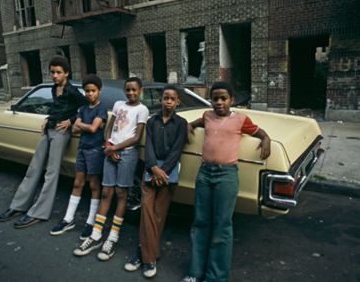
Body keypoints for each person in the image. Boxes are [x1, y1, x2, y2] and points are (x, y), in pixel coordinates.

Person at [180, 82, 271, 282]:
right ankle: (195, 273)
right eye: (215, 98)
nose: (219, 102)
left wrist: (266, 140)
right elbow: (194, 123)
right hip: (204, 174)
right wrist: (188, 126)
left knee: (222, 225)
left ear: (232, 100)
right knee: (201, 222)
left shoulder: (240, 119)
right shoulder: (207, 116)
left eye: (224, 98)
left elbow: (260, 132)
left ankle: (215, 277)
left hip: (226, 175)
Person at [0, 55, 87, 229]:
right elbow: (55, 107)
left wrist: (70, 120)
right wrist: (47, 118)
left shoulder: (72, 91)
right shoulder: (54, 89)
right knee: (34, 167)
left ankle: (38, 212)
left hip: (61, 133)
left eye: (58, 72)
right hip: (49, 130)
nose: (54, 75)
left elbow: (84, 106)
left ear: (66, 73)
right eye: (52, 72)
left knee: (51, 173)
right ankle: (18, 206)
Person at [73, 76, 149, 261]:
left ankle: (113, 237)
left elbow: (137, 137)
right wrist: (108, 144)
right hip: (110, 151)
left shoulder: (142, 109)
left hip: (127, 154)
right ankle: (96, 234)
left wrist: (115, 148)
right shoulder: (118, 104)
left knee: (121, 193)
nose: (131, 93)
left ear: (141, 91)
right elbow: (109, 126)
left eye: (134, 90)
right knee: (106, 192)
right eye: (128, 90)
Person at [124, 85, 188, 278]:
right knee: (147, 211)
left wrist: (163, 170)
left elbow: (177, 150)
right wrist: (153, 167)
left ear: (177, 102)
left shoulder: (181, 123)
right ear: (161, 100)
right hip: (151, 170)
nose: (168, 101)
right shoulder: (152, 121)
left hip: (168, 173)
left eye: (172, 99)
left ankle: (142, 253)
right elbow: (149, 146)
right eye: (165, 98)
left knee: (159, 215)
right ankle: (149, 257)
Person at [50, 74, 107, 240]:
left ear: (99, 91)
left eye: (93, 91)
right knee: (77, 182)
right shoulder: (82, 109)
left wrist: (82, 125)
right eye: (87, 91)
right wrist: (84, 126)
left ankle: (91, 222)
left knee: (95, 184)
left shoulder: (101, 109)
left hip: (95, 150)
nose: (90, 94)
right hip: (82, 149)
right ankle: (68, 218)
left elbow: (93, 129)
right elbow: (75, 129)